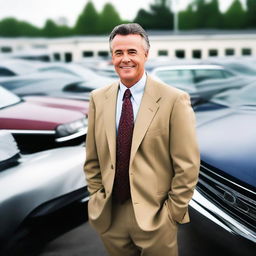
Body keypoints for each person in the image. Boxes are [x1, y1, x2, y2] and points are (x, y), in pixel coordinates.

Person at [84, 23, 200, 256]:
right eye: (118, 53)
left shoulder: (174, 100)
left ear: (146, 54)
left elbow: (187, 165)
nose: (125, 59)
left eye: (132, 52)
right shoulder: (98, 98)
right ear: (112, 57)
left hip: (155, 217)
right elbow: (92, 157)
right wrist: (97, 196)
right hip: (110, 214)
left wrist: (172, 213)